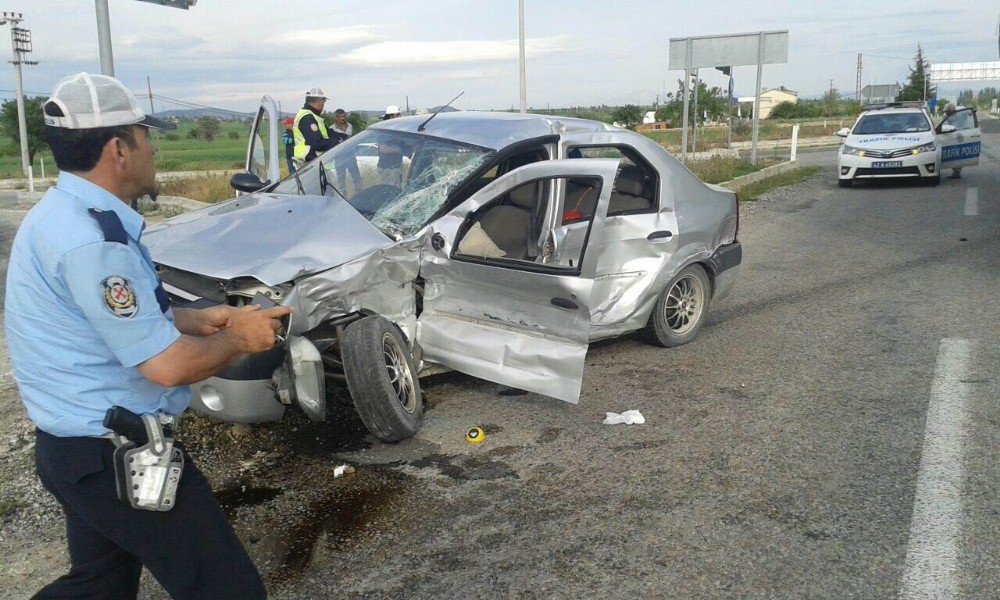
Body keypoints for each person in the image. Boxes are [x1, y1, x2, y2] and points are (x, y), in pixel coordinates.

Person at [6, 72, 291, 599]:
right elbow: (166, 368)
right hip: (112, 456)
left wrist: (196, 319)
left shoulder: (61, 216)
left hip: (75, 450)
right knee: (226, 590)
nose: (153, 146)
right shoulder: (92, 242)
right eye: (144, 134)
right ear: (118, 148)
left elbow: (100, 323)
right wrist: (240, 338)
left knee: (100, 586)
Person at [293, 86, 338, 166]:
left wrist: (348, 137)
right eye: (324, 101)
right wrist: (338, 142)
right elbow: (317, 143)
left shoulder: (313, 116)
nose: (324, 104)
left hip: (318, 160)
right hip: (310, 162)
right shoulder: (307, 118)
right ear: (319, 101)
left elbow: (329, 133)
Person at [331, 108, 362, 193]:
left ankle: (359, 195)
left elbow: (353, 139)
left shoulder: (350, 126)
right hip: (339, 158)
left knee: (357, 178)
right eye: (340, 116)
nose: (342, 118)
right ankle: (344, 200)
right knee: (341, 181)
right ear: (336, 118)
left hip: (351, 156)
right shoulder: (331, 129)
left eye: (344, 116)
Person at [377, 104, 410, 186]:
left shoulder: (393, 129)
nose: (400, 116)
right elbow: (383, 149)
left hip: (395, 167)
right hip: (388, 168)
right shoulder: (386, 130)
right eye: (398, 115)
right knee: (391, 191)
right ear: (391, 116)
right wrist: (401, 150)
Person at [943, 104, 962, 179]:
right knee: (953, 154)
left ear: (953, 110)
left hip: (963, 133)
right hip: (952, 134)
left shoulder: (961, 110)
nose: (947, 113)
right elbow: (944, 125)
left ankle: (957, 172)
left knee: (959, 153)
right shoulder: (945, 116)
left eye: (948, 112)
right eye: (946, 112)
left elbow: (970, 112)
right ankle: (956, 172)